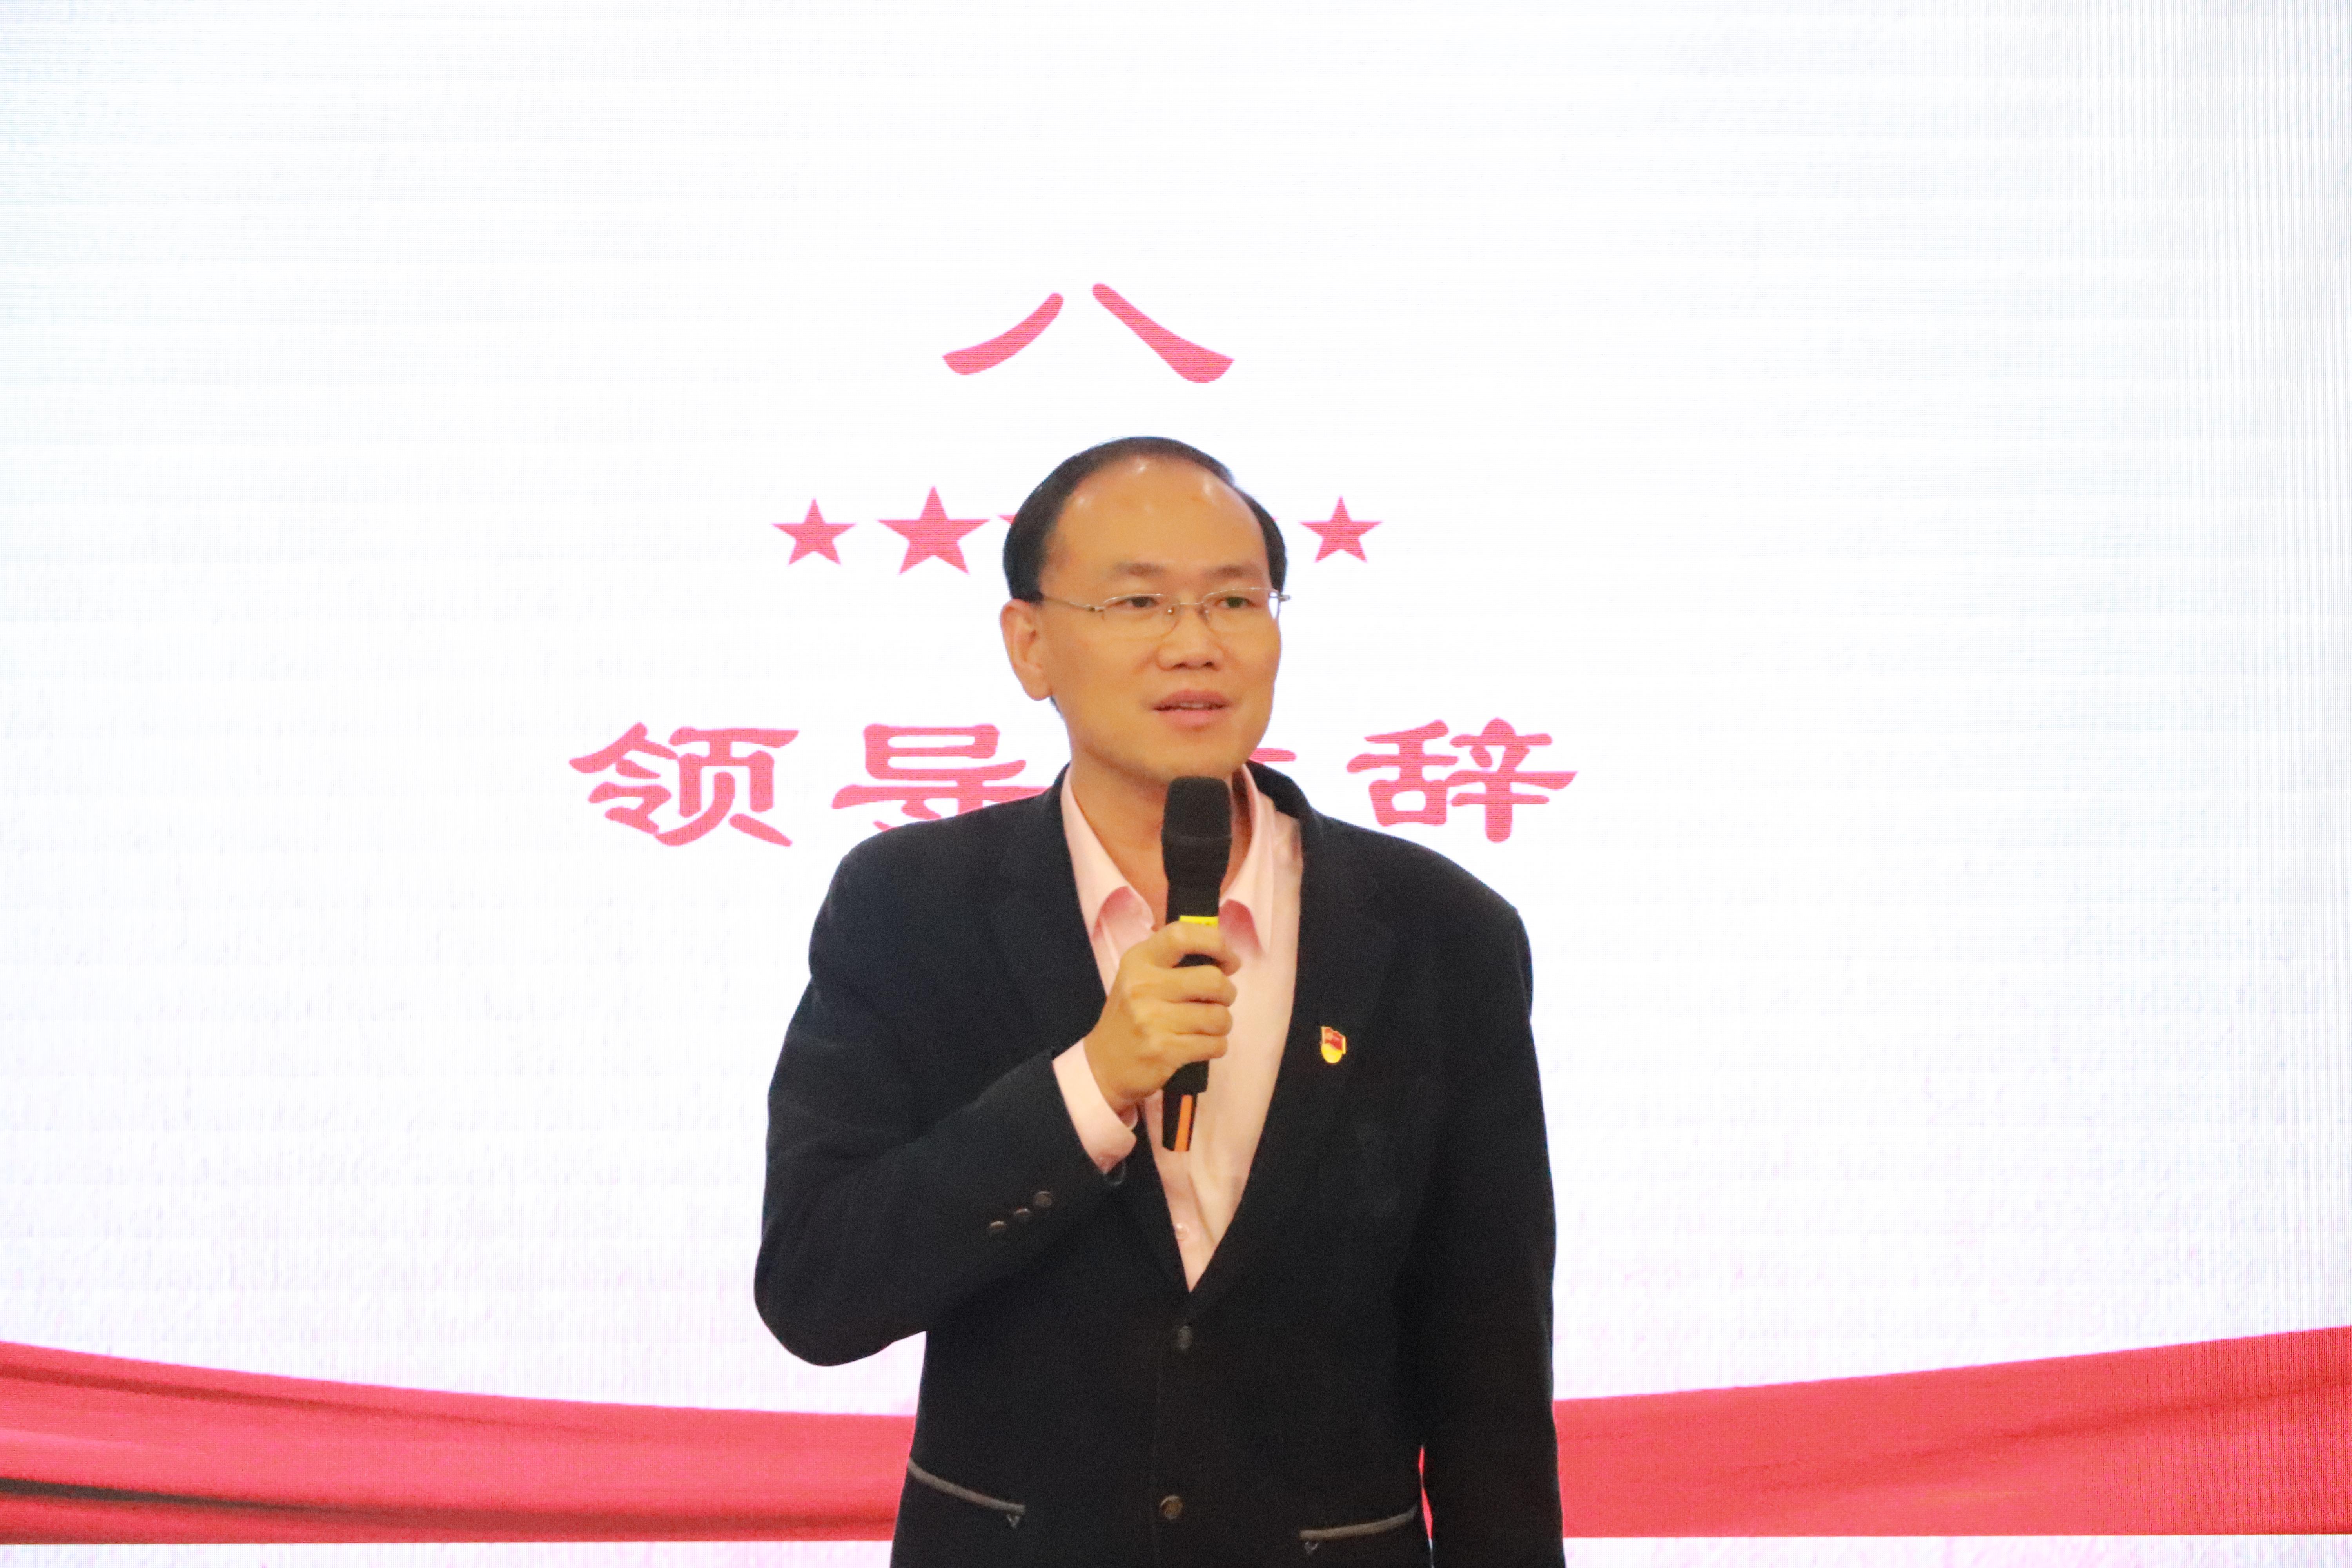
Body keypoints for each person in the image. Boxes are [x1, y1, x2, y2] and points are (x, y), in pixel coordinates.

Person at [756, 436, 1563, 1566]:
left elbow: (1492, 1362)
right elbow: (818, 1287)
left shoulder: (1441, 933)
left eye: (1234, 600)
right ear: (1030, 644)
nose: (1196, 643)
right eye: (1139, 602)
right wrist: (1090, 1089)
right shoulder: (911, 906)